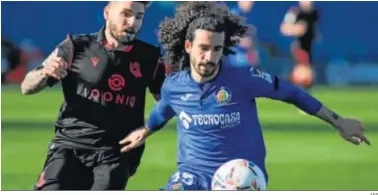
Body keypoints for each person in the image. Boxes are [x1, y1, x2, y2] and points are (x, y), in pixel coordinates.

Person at [119, 2, 370, 191]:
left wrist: (338, 121)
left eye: (217, 49)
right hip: (192, 176)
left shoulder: (243, 78)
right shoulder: (174, 86)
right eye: (204, 48)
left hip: (241, 177)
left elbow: (292, 93)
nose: (210, 57)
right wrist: (145, 131)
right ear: (188, 47)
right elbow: (163, 110)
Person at [21, 1, 167, 190]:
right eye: (126, 14)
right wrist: (44, 73)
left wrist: (148, 129)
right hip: (69, 146)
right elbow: (26, 86)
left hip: (116, 154)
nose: (132, 23)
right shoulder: (75, 47)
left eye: (139, 17)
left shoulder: (149, 57)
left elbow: (168, 102)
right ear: (107, 13)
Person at [280, 1, 319, 90]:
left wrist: (291, 28)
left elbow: (301, 29)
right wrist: (290, 19)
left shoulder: (312, 14)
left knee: (305, 77)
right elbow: (284, 29)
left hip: (307, 48)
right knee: (300, 76)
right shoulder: (296, 13)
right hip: (298, 49)